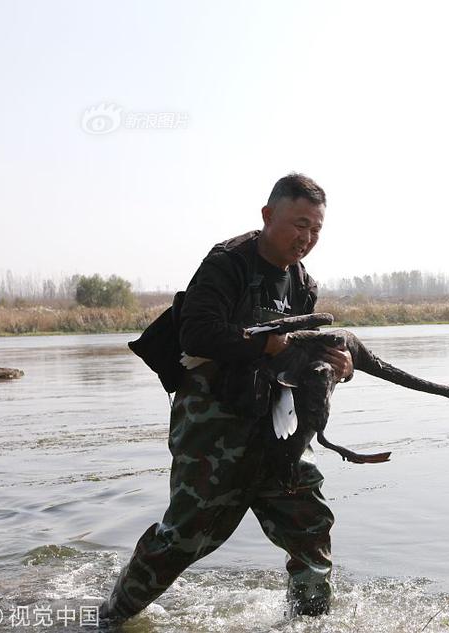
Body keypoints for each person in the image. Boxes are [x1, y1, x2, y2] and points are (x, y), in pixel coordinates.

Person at [99, 173, 353, 625]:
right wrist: (265, 345)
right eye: (299, 224)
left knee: (309, 526)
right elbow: (197, 332)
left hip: (277, 425)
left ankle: (309, 624)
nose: (307, 238)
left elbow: (300, 358)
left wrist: (336, 368)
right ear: (268, 215)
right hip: (212, 425)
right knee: (183, 540)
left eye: (316, 229)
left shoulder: (303, 285)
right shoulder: (229, 263)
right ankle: (109, 618)